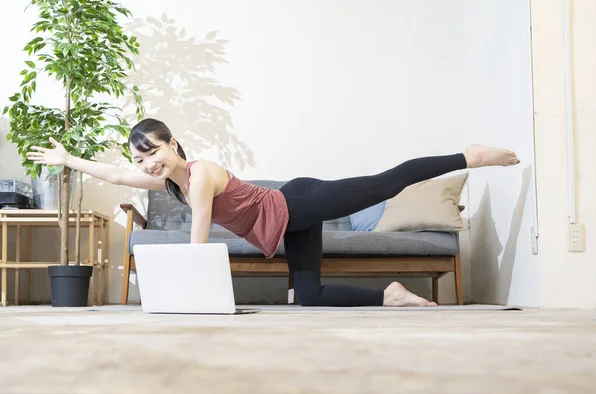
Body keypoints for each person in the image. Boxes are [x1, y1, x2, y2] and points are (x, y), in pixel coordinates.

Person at [27, 118, 520, 307]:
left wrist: (193, 290)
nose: (147, 163)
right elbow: (114, 174)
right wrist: (70, 160)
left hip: (297, 202)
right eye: (141, 159)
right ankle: (391, 295)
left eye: (153, 151)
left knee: (384, 182)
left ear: (173, 142)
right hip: (291, 224)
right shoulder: (167, 179)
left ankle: (469, 155)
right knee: (310, 296)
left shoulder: (201, 174)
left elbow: (200, 231)